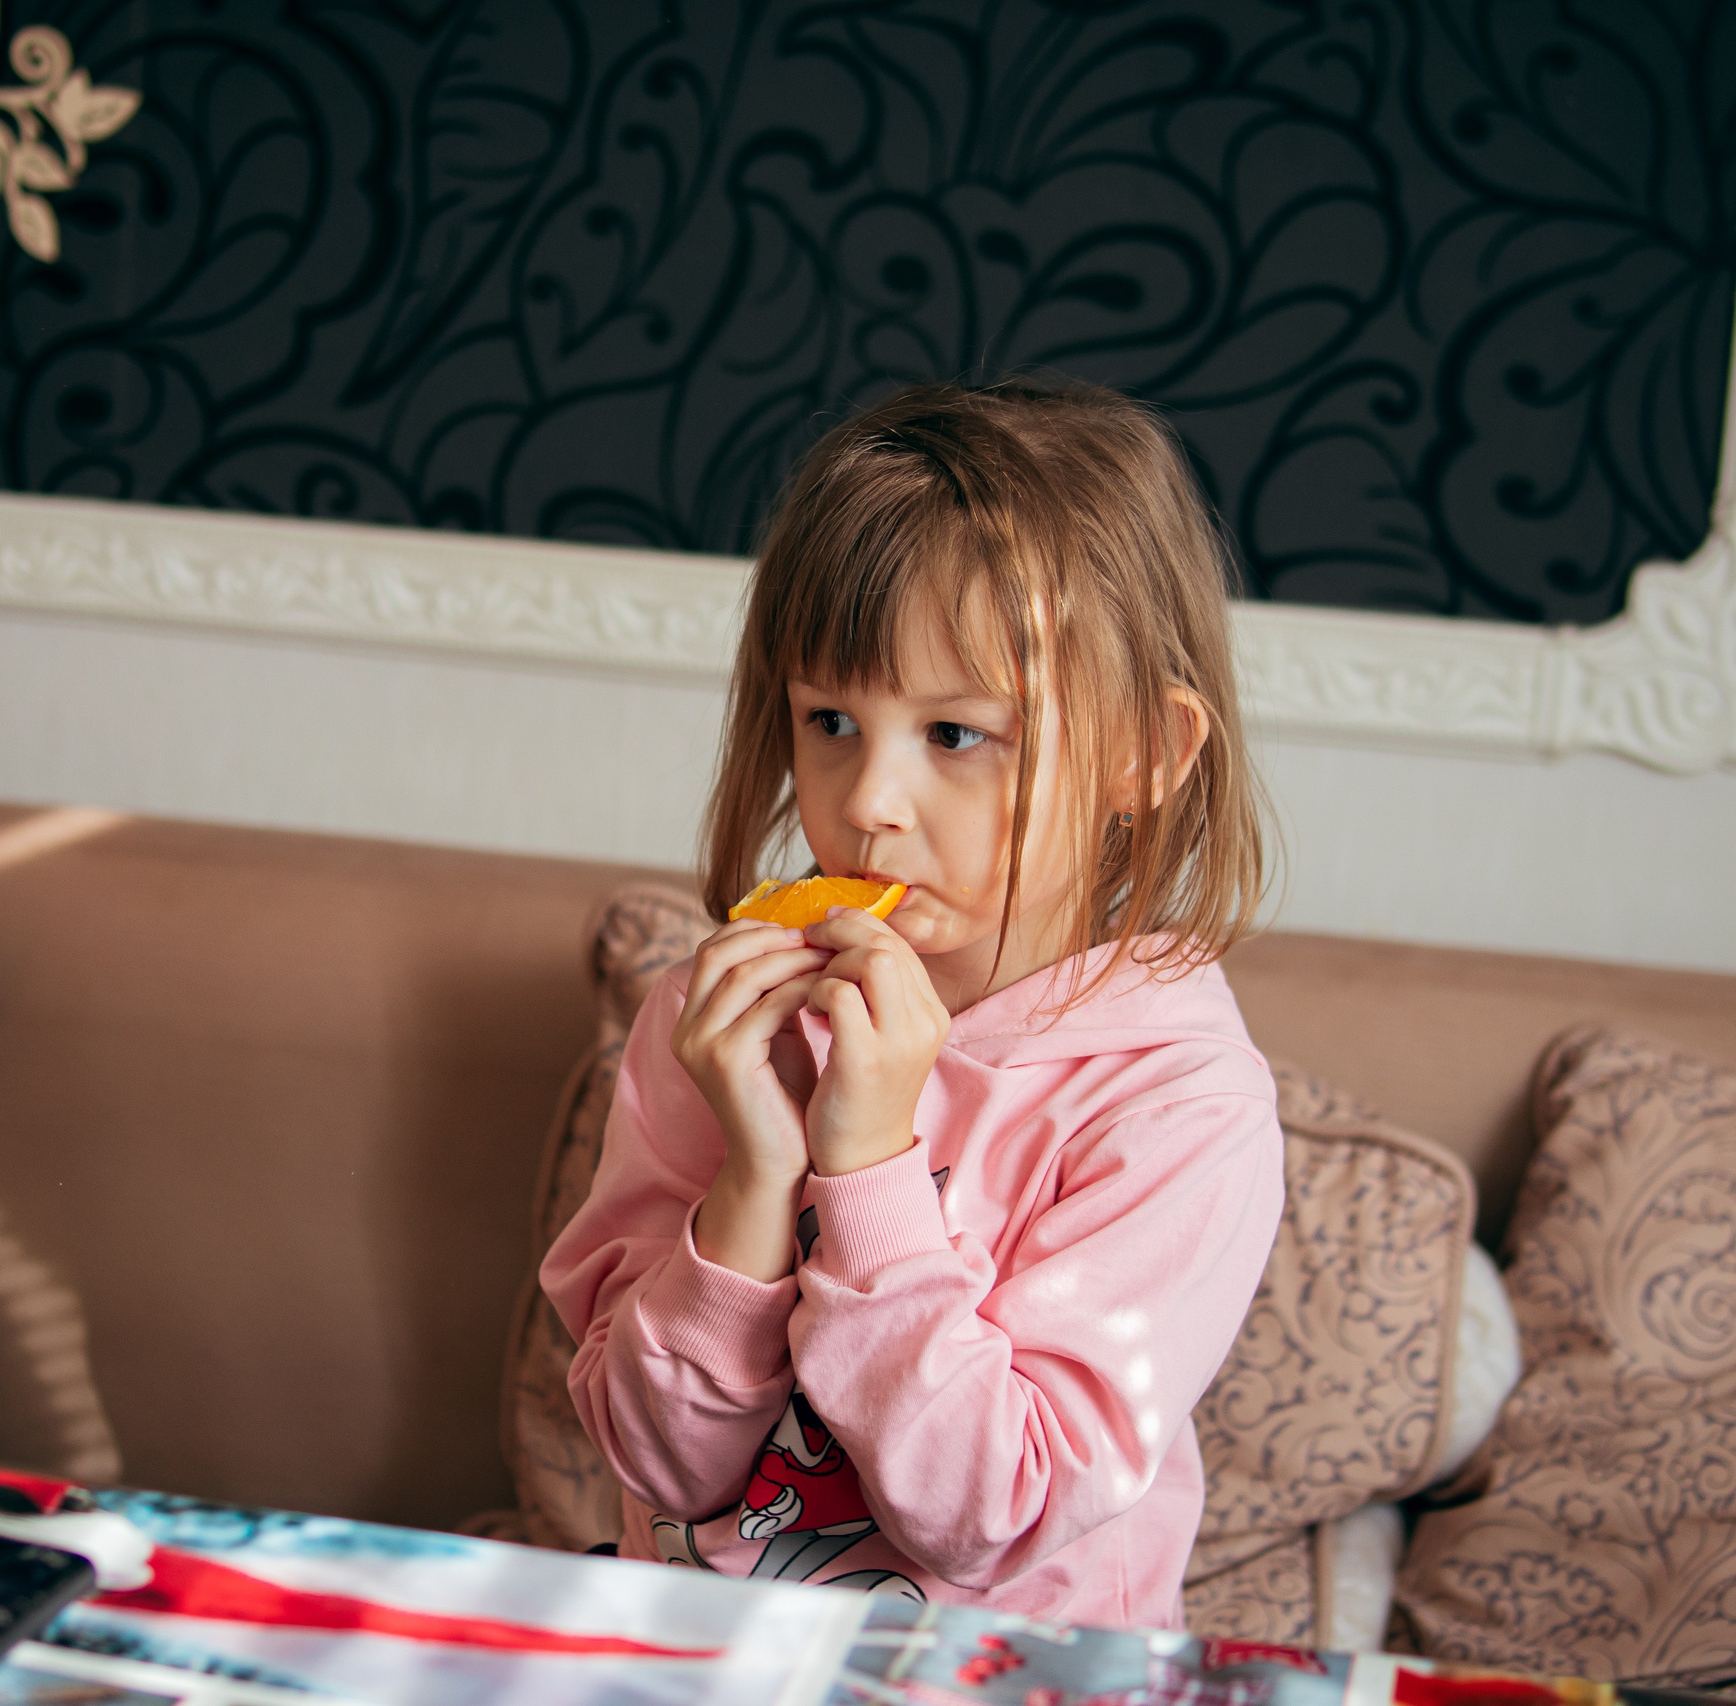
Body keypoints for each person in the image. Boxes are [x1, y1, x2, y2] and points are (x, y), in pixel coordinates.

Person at [540, 379, 1287, 1628]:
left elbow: (995, 1510)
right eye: (830, 717)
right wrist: (752, 1179)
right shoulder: (718, 1024)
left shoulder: (1177, 1104)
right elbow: (657, 1461)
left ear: (1143, 755)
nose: (869, 796)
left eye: (955, 733)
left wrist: (869, 1162)